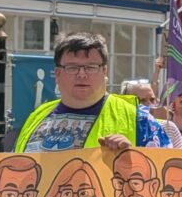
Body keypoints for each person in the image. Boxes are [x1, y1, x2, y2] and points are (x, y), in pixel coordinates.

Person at [15, 32, 168, 152]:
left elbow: (167, 178)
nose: (82, 74)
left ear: (104, 71)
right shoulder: (36, 117)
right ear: (57, 73)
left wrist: (132, 159)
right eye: (72, 67)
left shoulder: (140, 121)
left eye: (91, 67)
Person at [121, 79, 182, 148]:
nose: (149, 104)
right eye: (142, 100)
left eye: (152, 100)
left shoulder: (169, 128)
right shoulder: (119, 129)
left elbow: (180, 157)